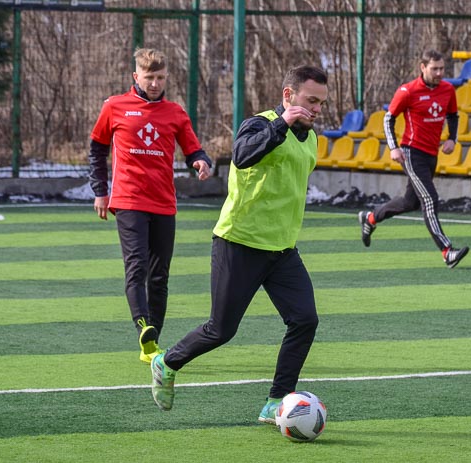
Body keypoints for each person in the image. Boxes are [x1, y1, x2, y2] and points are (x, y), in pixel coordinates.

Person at [150, 65, 328, 424]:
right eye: (311, 100)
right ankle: (167, 362)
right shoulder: (260, 124)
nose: (316, 109)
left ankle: (276, 400)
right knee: (221, 330)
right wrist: (282, 125)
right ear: (288, 96)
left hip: (282, 250)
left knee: (305, 320)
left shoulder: (311, 138)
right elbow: (242, 155)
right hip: (239, 243)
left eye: (322, 103)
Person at [88, 47, 212, 364]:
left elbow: (193, 149)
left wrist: (200, 162)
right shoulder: (114, 107)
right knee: (137, 268)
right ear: (136, 77)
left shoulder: (176, 113)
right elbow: (97, 148)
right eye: (149, 77)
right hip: (128, 200)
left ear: (166, 77)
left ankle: (153, 341)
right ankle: (144, 329)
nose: (155, 83)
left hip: (164, 203)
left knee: (159, 276)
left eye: (159, 77)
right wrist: (100, 190)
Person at [358, 49, 469, 268]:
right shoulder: (407, 91)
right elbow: (389, 118)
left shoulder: (447, 89)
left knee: (410, 202)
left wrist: (452, 139)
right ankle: (447, 251)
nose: (439, 73)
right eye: (434, 69)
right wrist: (394, 147)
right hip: (411, 152)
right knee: (429, 199)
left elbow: (453, 115)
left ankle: (370, 218)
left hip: (431, 154)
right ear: (423, 67)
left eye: (442, 69)